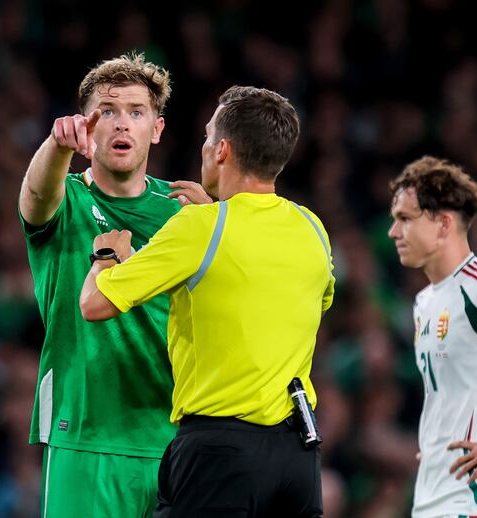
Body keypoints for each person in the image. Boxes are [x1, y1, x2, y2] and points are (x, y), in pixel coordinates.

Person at [79, 85, 334, 518]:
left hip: (219, 454)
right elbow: (276, 295)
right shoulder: (313, 227)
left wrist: (106, 255)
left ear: (222, 150)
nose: (203, 146)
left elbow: (95, 304)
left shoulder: (200, 227)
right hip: (298, 458)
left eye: (206, 136)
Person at [19, 53, 210, 517]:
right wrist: (56, 146)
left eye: (136, 112)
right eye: (108, 111)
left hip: (174, 436)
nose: (122, 124)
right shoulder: (66, 198)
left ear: (157, 129)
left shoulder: (186, 211)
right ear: (88, 126)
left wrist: (219, 227)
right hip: (84, 432)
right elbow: (37, 195)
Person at [388, 156, 477, 517]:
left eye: (405, 219)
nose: (393, 232)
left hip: (476, 497)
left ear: (443, 224)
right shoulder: (423, 302)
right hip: (430, 490)